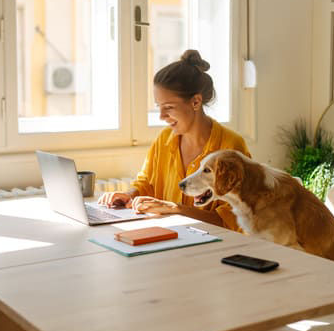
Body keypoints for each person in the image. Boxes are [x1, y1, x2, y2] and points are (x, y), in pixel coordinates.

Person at [98, 49, 250, 231]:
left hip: (213, 247)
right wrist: (128, 195)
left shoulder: (231, 147)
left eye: (169, 107)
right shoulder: (164, 139)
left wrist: (176, 210)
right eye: (158, 107)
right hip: (168, 238)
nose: (161, 116)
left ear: (195, 102)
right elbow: (147, 183)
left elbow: (232, 221)